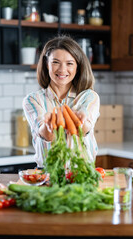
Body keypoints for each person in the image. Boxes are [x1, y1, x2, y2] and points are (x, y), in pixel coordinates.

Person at [23, 35, 100, 168]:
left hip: (82, 173)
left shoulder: (89, 97)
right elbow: (45, 134)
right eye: (55, 62)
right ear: (47, 64)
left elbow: (86, 127)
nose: (62, 70)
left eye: (69, 63)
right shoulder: (33, 100)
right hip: (48, 174)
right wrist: (48, 126)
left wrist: (81, 122)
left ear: (78, 67)